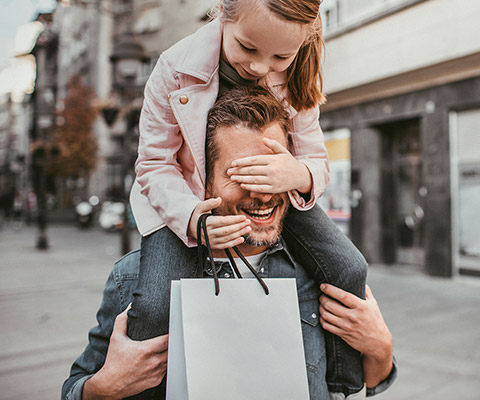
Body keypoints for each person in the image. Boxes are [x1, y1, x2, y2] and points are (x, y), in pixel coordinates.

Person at [128, 0, 368, 398]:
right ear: (223, 14)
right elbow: (154, 163)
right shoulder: (174, 69)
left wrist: (294, 175)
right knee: (154, 305)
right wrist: (196, 218)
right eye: (248, 47)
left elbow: (316, 160)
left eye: (281, 57)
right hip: (188, 201)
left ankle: (339, 383)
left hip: (275, 197)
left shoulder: (301, 73)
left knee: (349, 266)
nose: (261, 68)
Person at [62, 88, 396, 400]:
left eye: (271, 171)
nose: (263, 192)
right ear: (203, 181)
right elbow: (75, 387)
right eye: (241, 175)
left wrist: (380, 350)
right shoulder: (136, 277)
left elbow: (357, 385)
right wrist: (102, 388)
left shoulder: (321, 270)